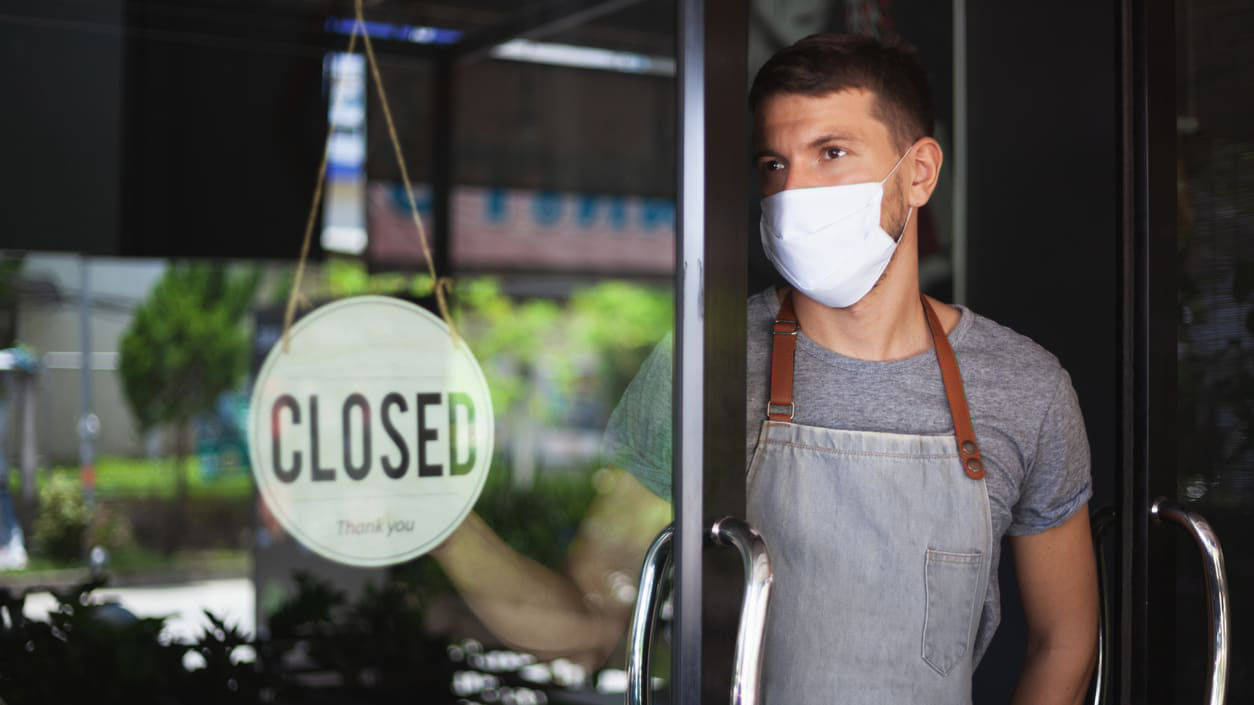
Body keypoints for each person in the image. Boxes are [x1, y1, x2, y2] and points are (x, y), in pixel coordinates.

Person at [603, 32, 1097, 705]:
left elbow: (1064, 640)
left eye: (831, 153)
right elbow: (591, 608)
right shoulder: (704, 364)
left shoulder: (1026, 388)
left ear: (919, 173)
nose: (793, 192)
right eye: (774, 164)